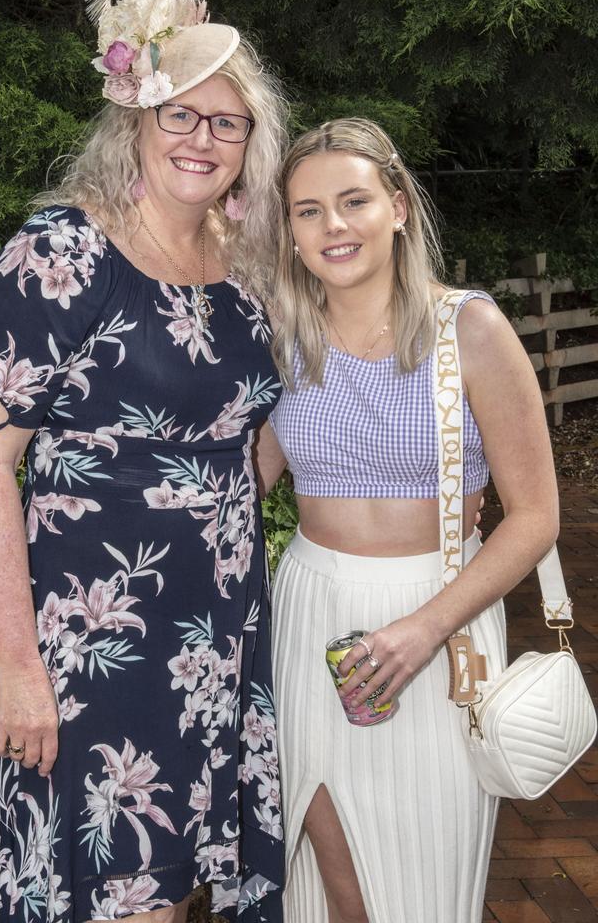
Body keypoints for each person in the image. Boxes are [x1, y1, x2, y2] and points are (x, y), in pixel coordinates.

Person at [0, 0, 287, 923]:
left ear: (250, 143)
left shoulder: (249, 273)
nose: (202, 139)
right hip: (87, 645)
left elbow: (254, 434)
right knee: (102, 892)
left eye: (226, 123)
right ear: (133, 118)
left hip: (211, 639)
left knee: (172, 896)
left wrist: (210, 516)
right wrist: (18, 667)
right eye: (179, 115)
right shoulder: (63, 253)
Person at [254, 118, 559, 923]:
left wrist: (423, 630)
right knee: (331, 879)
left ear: (398, 207)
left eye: (353, 201)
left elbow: (534, 518)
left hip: (443, 622)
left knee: (420, 881)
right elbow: (237, 483)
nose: (333, 227)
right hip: (310, 614)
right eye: (308, 210)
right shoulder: (280, 339)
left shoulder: (471, 330)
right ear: (288, 230)